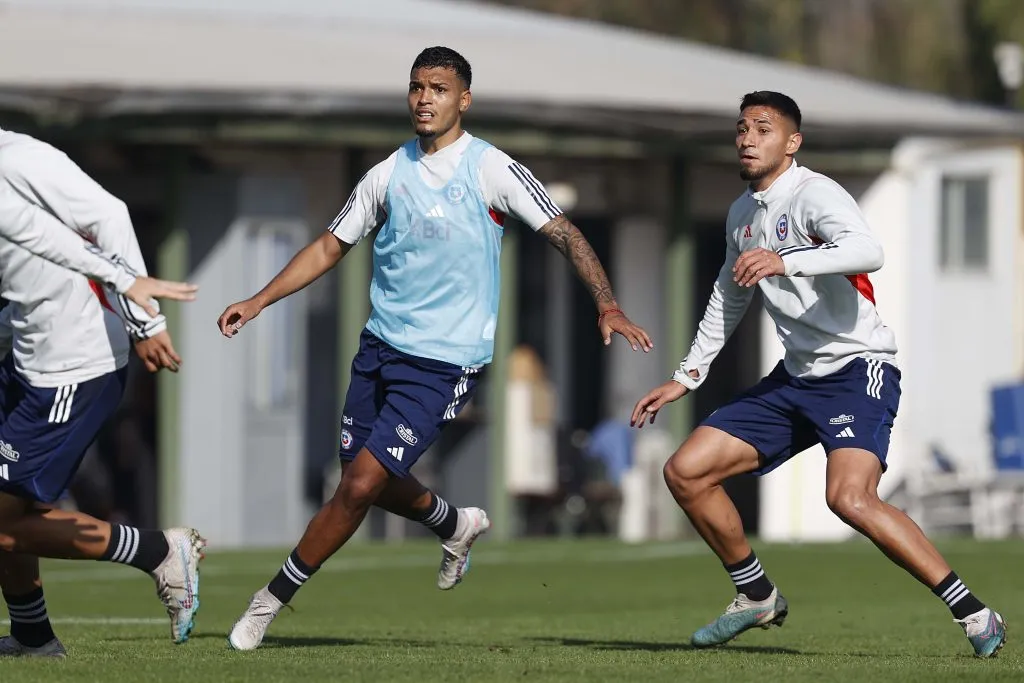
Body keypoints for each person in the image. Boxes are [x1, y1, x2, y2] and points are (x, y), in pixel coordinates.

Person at [219, 46, 652, 651]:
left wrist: (606, 302)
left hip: (444, 362)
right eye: (417, 87)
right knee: (358, 479)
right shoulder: (386, 173)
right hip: (378, 349)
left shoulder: (491, 169)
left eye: (439, 89)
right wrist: (260, 299)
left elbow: (564, 232)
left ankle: (267, 603)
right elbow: (328, 246)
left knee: (359, 486)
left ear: (463, 100)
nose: (425, 98)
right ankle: (455, 523)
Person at [630, 91, 1005, 658]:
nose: (749, 139)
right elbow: (728, 298)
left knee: (849, 499)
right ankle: (755, 593)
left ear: (791, 142)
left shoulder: (815, 193)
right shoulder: (741, 214)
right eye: (742, 129)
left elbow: (867, 249)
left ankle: (974, 612)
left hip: (857, 369)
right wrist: (686, 377)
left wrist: (790, 259)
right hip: (795, 380)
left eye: (763, 129)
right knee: (686, 471)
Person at [0, 129, 204, 657]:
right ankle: (32, 636)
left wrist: (144, 320)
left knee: (2, 523)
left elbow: (108, 215)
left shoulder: (21, 159)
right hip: (26, 355)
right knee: (6, 515)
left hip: (71, 365)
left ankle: (159, 550)